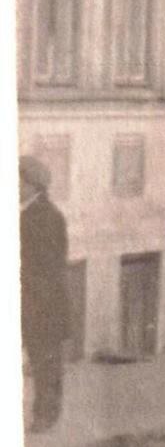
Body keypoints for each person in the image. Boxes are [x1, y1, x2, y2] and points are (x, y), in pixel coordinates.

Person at [20, 156, 70, 432]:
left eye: (18, 181)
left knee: (45, 365)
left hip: (43, 303)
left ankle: (46, 416)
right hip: (30, 299)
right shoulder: (24, 213)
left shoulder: (46, 217)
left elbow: (49, 266)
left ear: (33, 185)